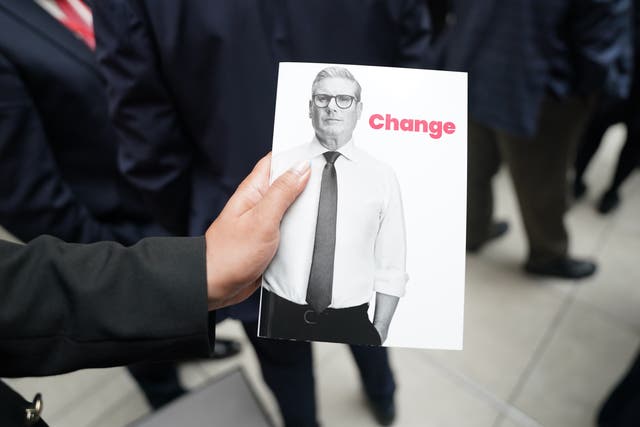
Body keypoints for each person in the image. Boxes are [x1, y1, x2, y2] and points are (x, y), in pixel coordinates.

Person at [93, 1, 432, 425]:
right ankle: (382, 396)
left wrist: (204, 221)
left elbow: (146, 133)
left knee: (305, 342)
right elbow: (415, 44)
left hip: (241, 201)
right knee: (356, 314)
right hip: (276, 195)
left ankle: (370, 396)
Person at [0, 0, 240, 410]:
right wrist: (104, 254)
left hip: (168, 193)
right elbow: (31, 196)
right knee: (143, 330)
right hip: (111, 231)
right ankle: (168, 396)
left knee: (188, 310)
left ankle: (192, 345)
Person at [0, 154, 310, 427]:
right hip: (102, 225)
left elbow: (16, 288)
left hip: (134, 248)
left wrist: (199, 273)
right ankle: (169, 396)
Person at [439, 0, 631, 279]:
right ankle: (547, 254)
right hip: (537, 85)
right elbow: (599, 40)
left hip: (470, 61)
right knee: (542, 181)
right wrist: (589, 91)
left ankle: (474, 231)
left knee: (473, 167)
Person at [260, 67, 408, 346]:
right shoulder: (278, 165)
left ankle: (381, 390)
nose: (332, 107)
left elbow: (391, 263)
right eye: (322, 98)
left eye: (344, 99)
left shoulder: (382, 176)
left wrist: (380, 329)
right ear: (309, 108)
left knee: (374, 371)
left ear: (359, 109)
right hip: (278, 313)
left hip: (352, 320)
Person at [573, 1, 640, 214]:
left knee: (633, 144)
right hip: (617, 74)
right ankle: (577, 180)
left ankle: (611, 191)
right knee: (594, 131)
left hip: (620, 74)